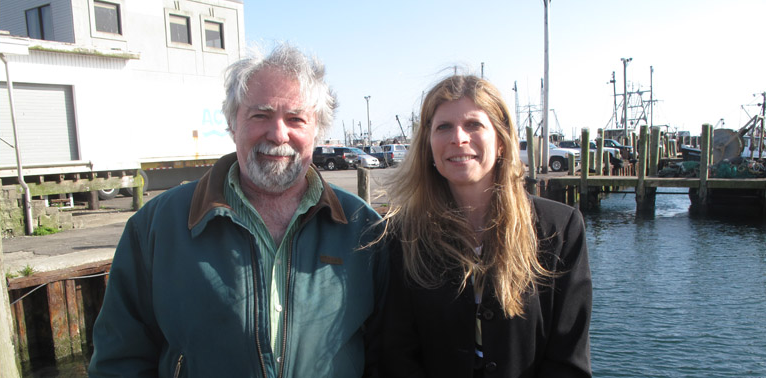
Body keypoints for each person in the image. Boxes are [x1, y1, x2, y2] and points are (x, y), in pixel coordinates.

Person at [89, 44, 387, 377]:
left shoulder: (365, 230)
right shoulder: (156, 227)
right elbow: (119, 360)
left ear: (317, 130)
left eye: (296, 119)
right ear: (232, 123)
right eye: (260, 115)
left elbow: (390, 355)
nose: (277, 134)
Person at [379, 74, 592, 378]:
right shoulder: (402, 236)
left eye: (474, 125)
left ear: (502, 142)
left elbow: (568, 358)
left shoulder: (561, 229)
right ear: (428, 146)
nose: (458, 138)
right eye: (443, 127)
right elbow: (397, 354)